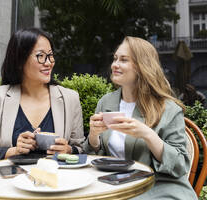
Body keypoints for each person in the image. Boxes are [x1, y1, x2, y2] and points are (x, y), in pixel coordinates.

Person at [84, 36, 197, 199]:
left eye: (123, 60)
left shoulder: (169, 109)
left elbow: (180, 165)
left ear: (141, 66)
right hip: (113, 184)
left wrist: (148, 134)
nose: (114, 64)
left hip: (158, 187)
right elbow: (96, 157)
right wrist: (94, 136)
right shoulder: (106, 102)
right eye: (115, 58)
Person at [0, 28, 85, 166]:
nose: (48, 62)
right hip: (7, 183)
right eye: (40, 56)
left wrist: (69, 150)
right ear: (19, 61)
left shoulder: (69, 98)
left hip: (55, 183)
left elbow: (82, 149)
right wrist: (13, 151)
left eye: (50, 55)